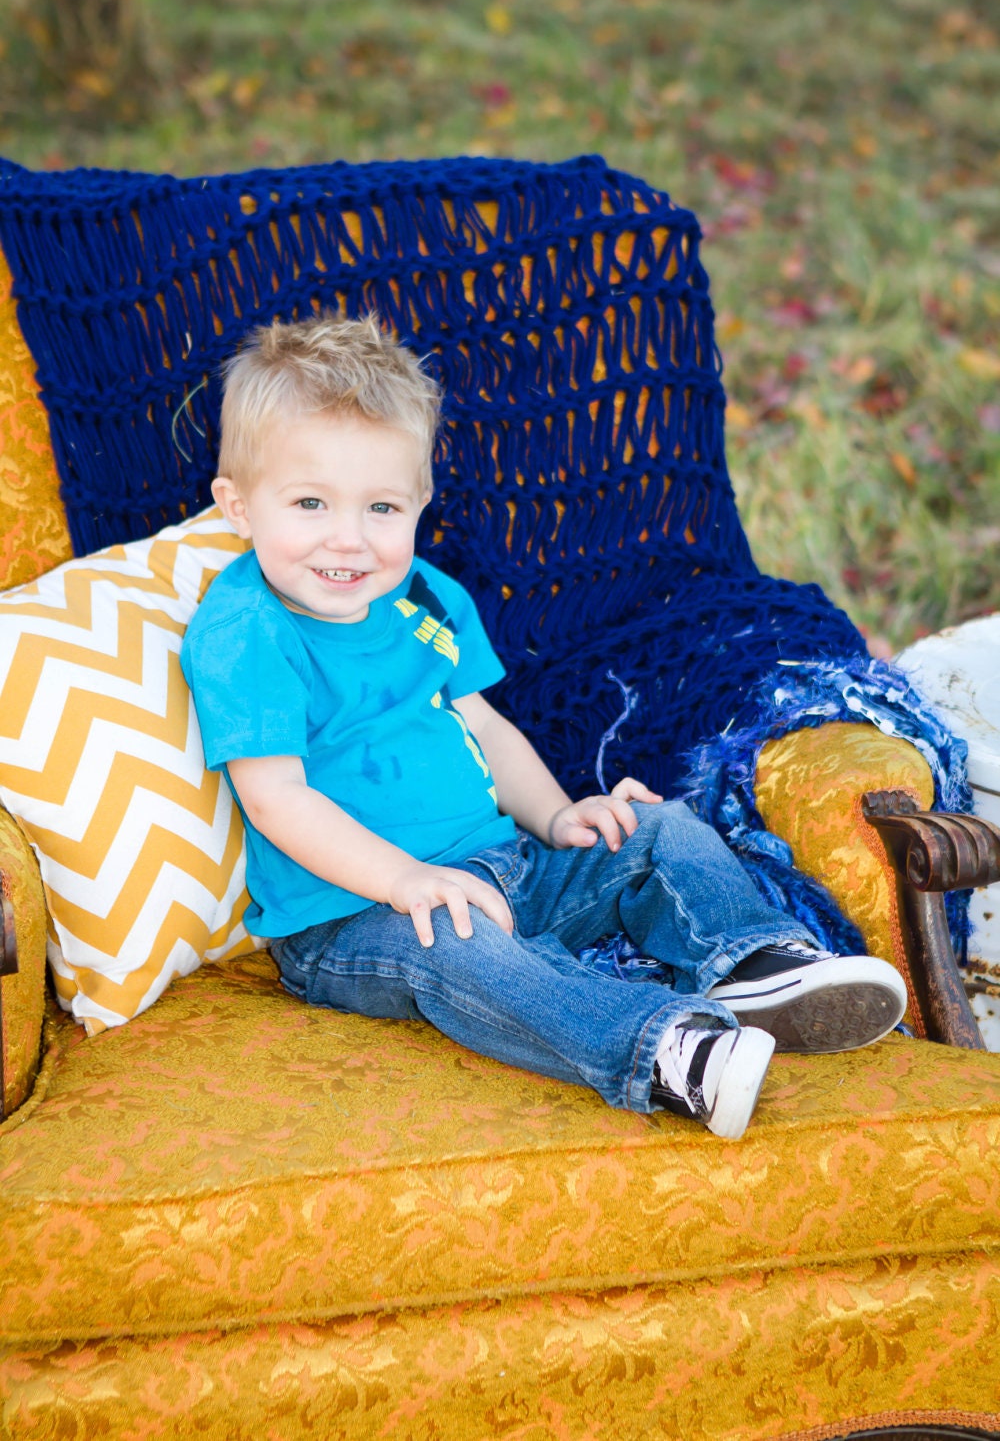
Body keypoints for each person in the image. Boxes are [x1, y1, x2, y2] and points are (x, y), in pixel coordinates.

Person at [180, 314, 908, 1141]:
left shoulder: (424, 595)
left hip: (503, 870)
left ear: (420, 504)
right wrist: (402, 882)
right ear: (237, 507)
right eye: (310, 503)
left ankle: (753, 963)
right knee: (453, 946)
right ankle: (664, 1049)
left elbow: (482, 724)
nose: (349, 538)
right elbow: (277, 798)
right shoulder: (247, 632)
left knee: (653, 825)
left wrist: (561, 817)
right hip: (354, 918)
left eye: (381, 506)